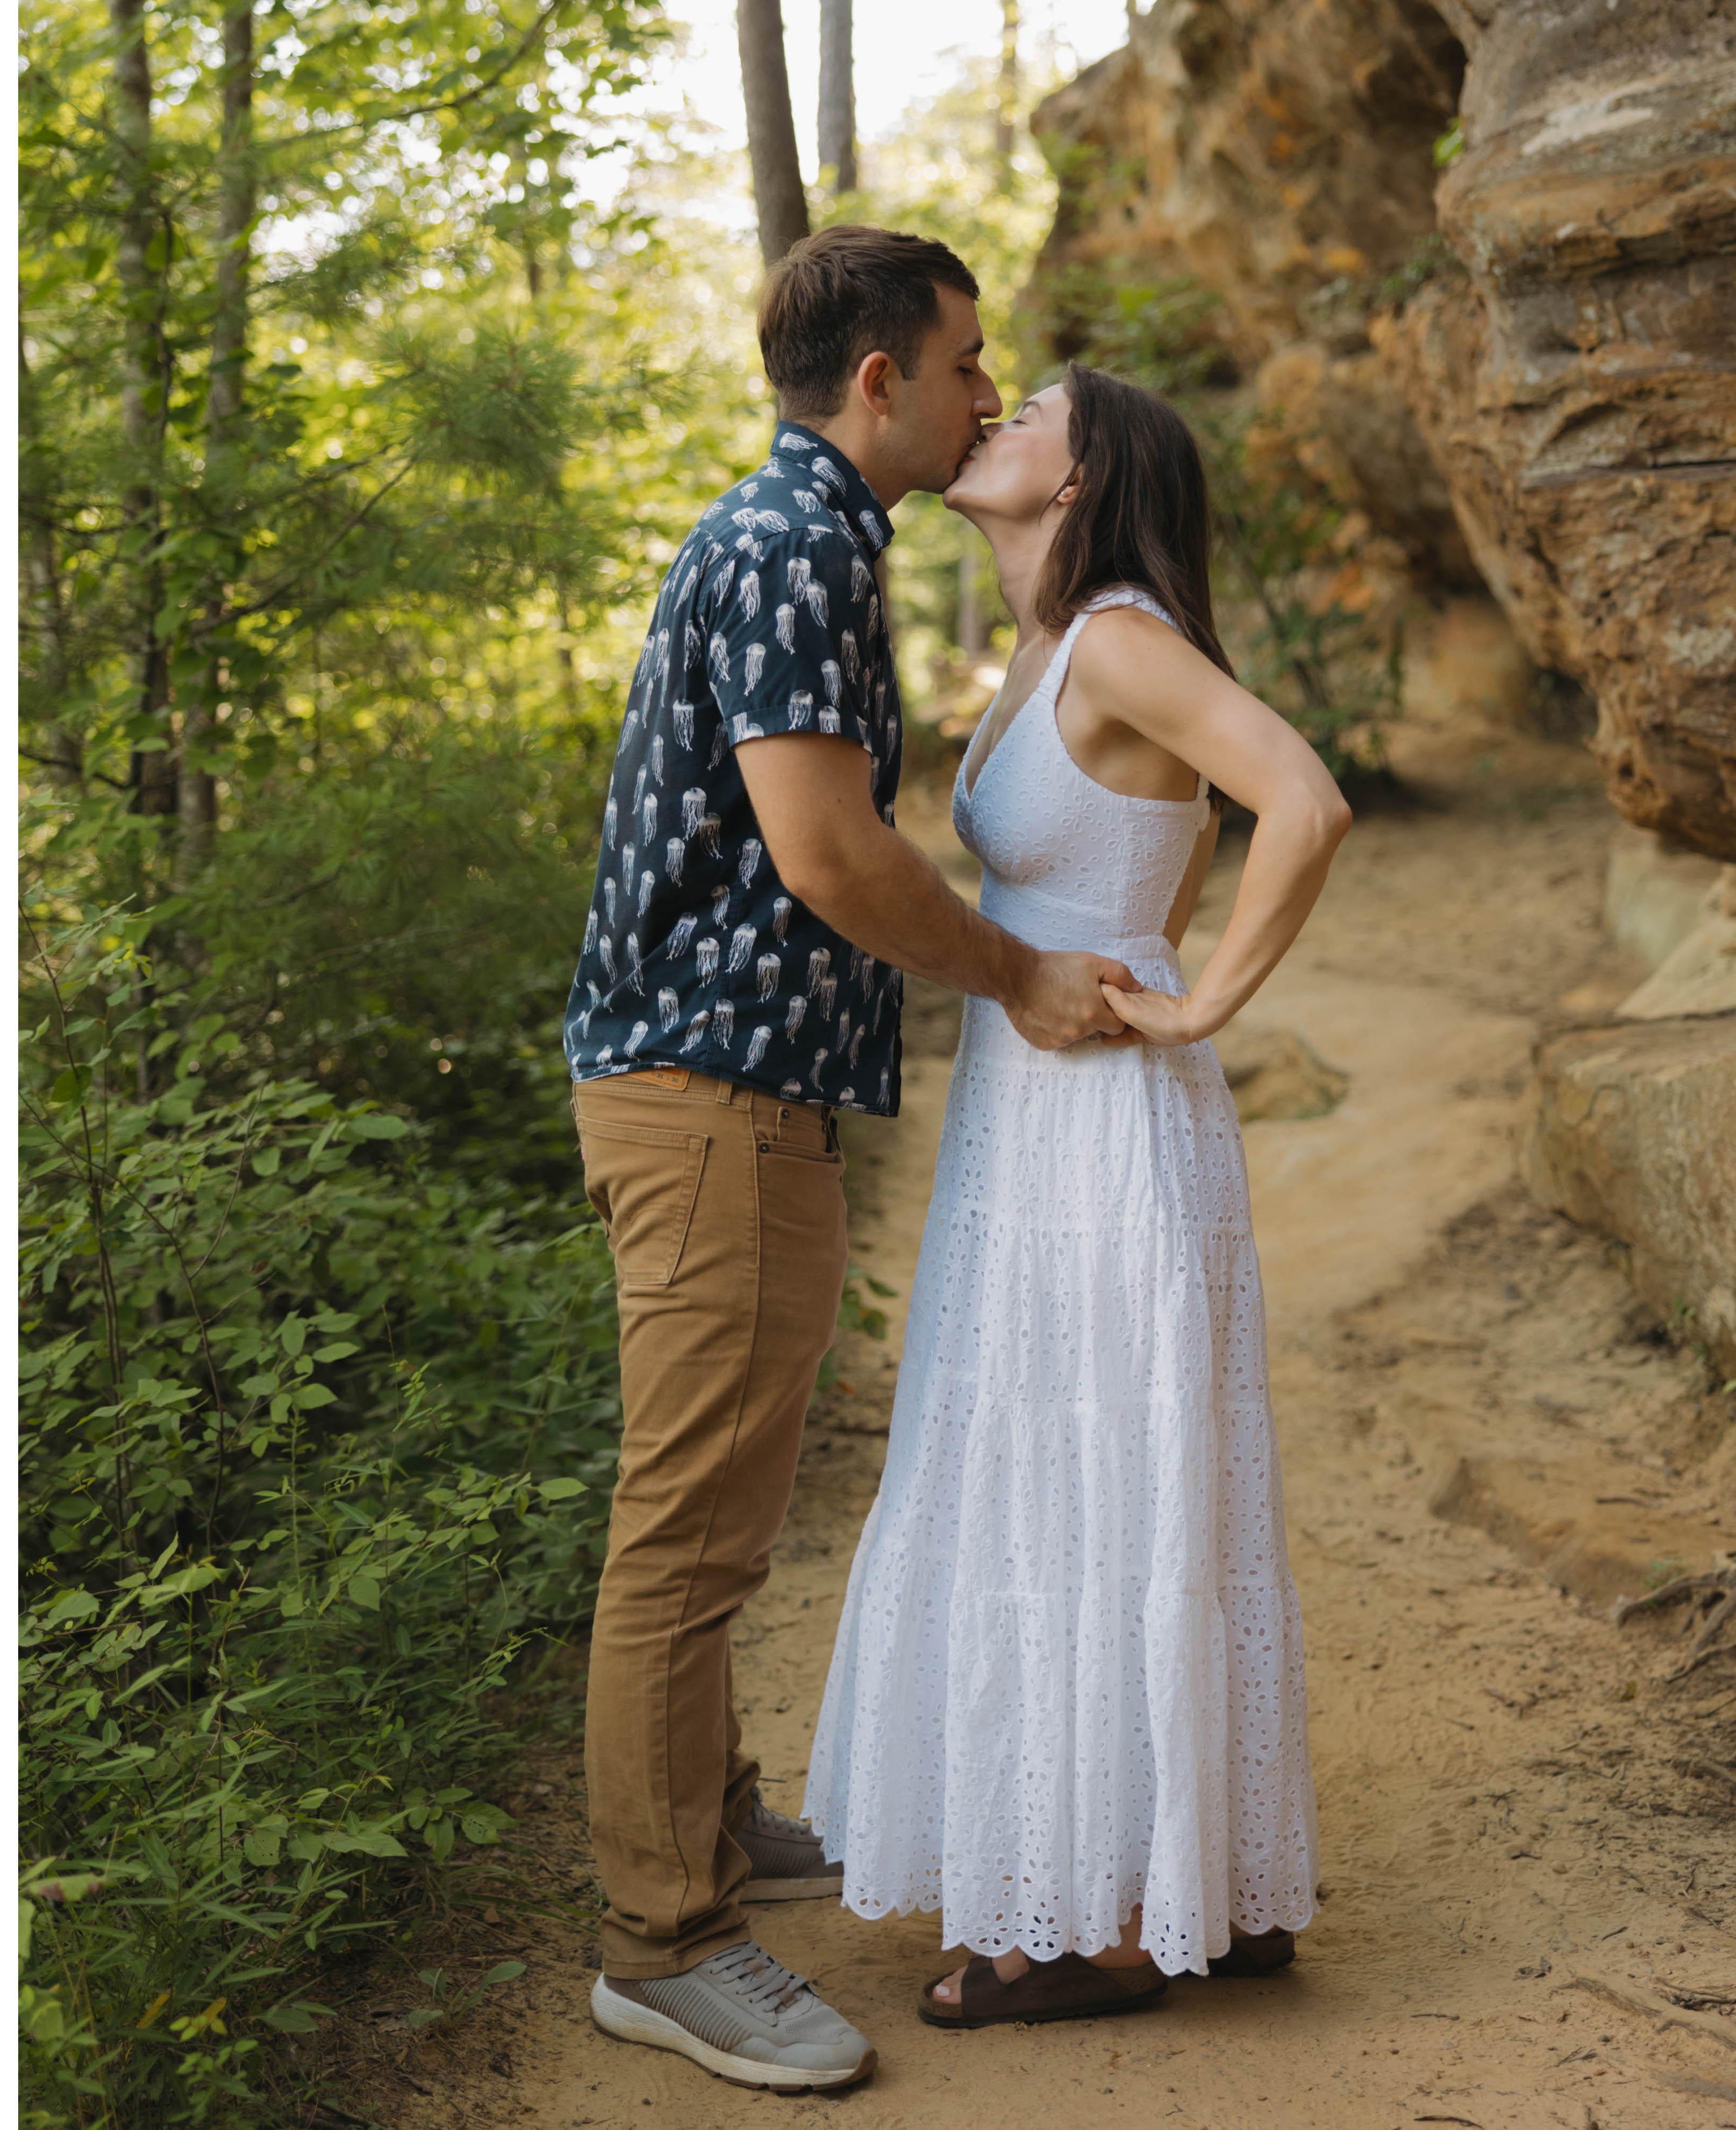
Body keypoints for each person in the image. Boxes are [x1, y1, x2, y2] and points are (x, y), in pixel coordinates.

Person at [563, 227, 1150, 2094]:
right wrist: (1017, 973)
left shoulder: (790, 534)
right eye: (969, 361)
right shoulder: (799, 544)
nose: (992, 391)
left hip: (717, 1087)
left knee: (717, 1495)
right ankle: (662, 1940)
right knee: (694, 1523)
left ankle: (712, 1826)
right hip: (708, 1094)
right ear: (879, 379)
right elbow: (824, 850)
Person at [804, 364, 1350, 2028]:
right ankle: (1196, 1879)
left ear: (1083, 472)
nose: (991, 418)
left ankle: (1095, 1922)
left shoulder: (1114, 634)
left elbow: (1302, 798)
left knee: (1086, 1457)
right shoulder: (1046, 646)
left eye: (1026, 408)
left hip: (1104, 1109)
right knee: (1086, 1455)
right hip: (1033, 1110)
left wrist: (1196, 1005)